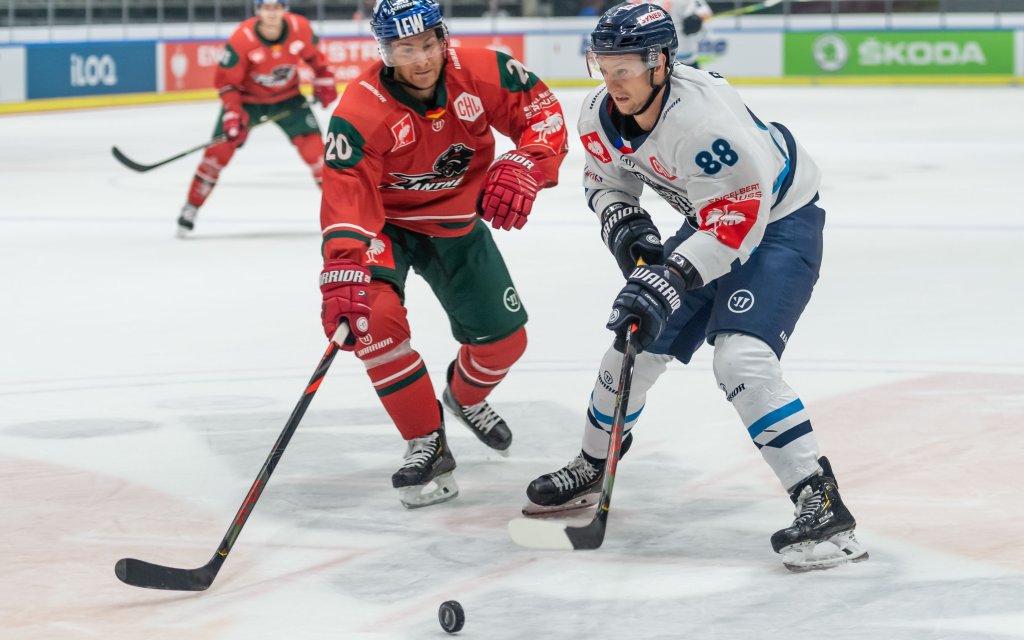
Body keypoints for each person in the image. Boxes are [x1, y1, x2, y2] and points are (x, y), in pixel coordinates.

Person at [523, 2, 868, 572]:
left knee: (742, 361)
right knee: (632, 342)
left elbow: (740, 219)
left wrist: (674, 274)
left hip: (777, 224)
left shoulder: (704, 122)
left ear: (660, 63)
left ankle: (823, 502)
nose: (613, 82)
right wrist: (630, 236)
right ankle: (593, 463)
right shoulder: (598, 113)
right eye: (603, 66)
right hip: (712, 219)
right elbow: (605, 181)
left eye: (626, 68)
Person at [316, 0, 568, 508]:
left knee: (505, 344)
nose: (421, 58)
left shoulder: (482, 72)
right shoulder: (361, 108)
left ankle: (464, 397)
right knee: (374, 321)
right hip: (384, 226)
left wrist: (529, 161)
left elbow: (540, 112)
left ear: (442, 38)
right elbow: (347, 190)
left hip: (455, 223)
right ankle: (425, 441)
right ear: (385, 51)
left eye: (428, 43)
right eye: (405, 48)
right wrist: (342, 264)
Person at [176, 0, 338, 238]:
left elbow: (317, 59)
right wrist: (232, 113)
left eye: (277, 7)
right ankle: (191, 206)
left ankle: (339, 214)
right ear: (258, 10)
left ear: (285, 9)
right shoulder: (242, 38)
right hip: (246, 102)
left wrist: (324, 79)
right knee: (216, 155)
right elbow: (227, 83)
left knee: (317, 154)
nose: (272, 13)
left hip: (289, 100)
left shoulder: (300, 28)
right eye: (267, 8)